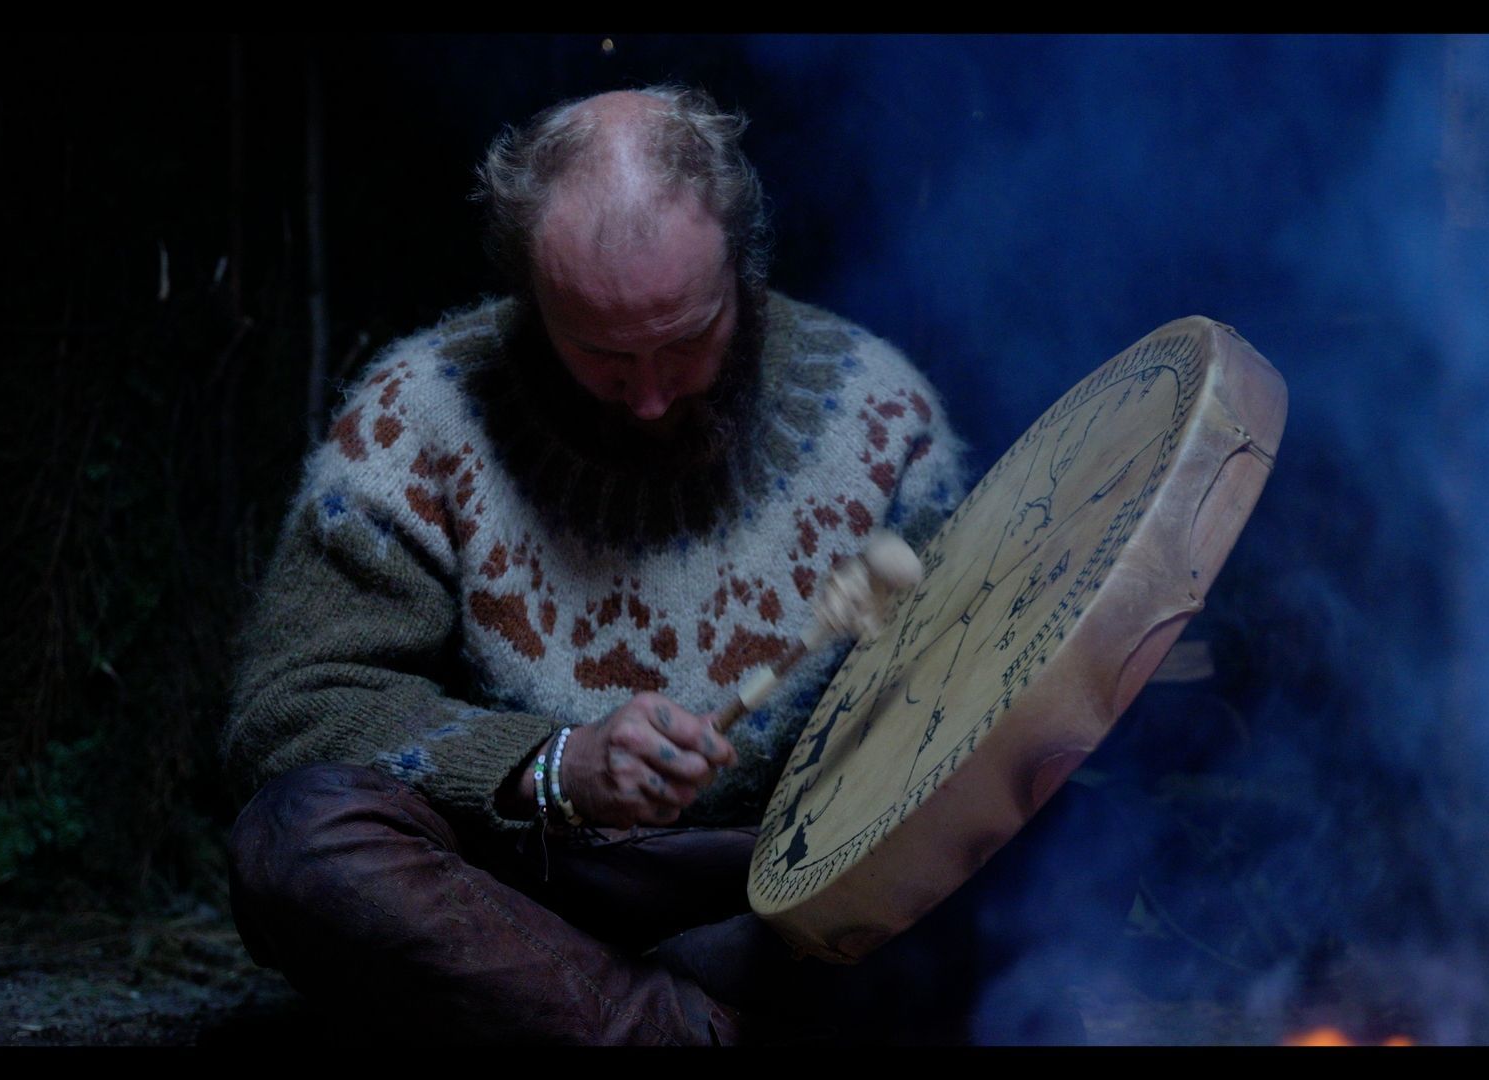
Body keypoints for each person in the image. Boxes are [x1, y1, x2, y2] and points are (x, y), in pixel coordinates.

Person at [220, 85, 968, 1045]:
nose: (650, 397)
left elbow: (954, 707)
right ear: (531, 296)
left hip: (782, 887)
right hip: (523, 895)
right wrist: (554, 768)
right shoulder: (418, 418)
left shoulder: (881, 416)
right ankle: (678, 1027)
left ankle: (610, 1016)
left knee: (996, 854)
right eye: (603, 354)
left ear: (742, 266)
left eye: (688, 340)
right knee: (296, 836)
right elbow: (289, 712)